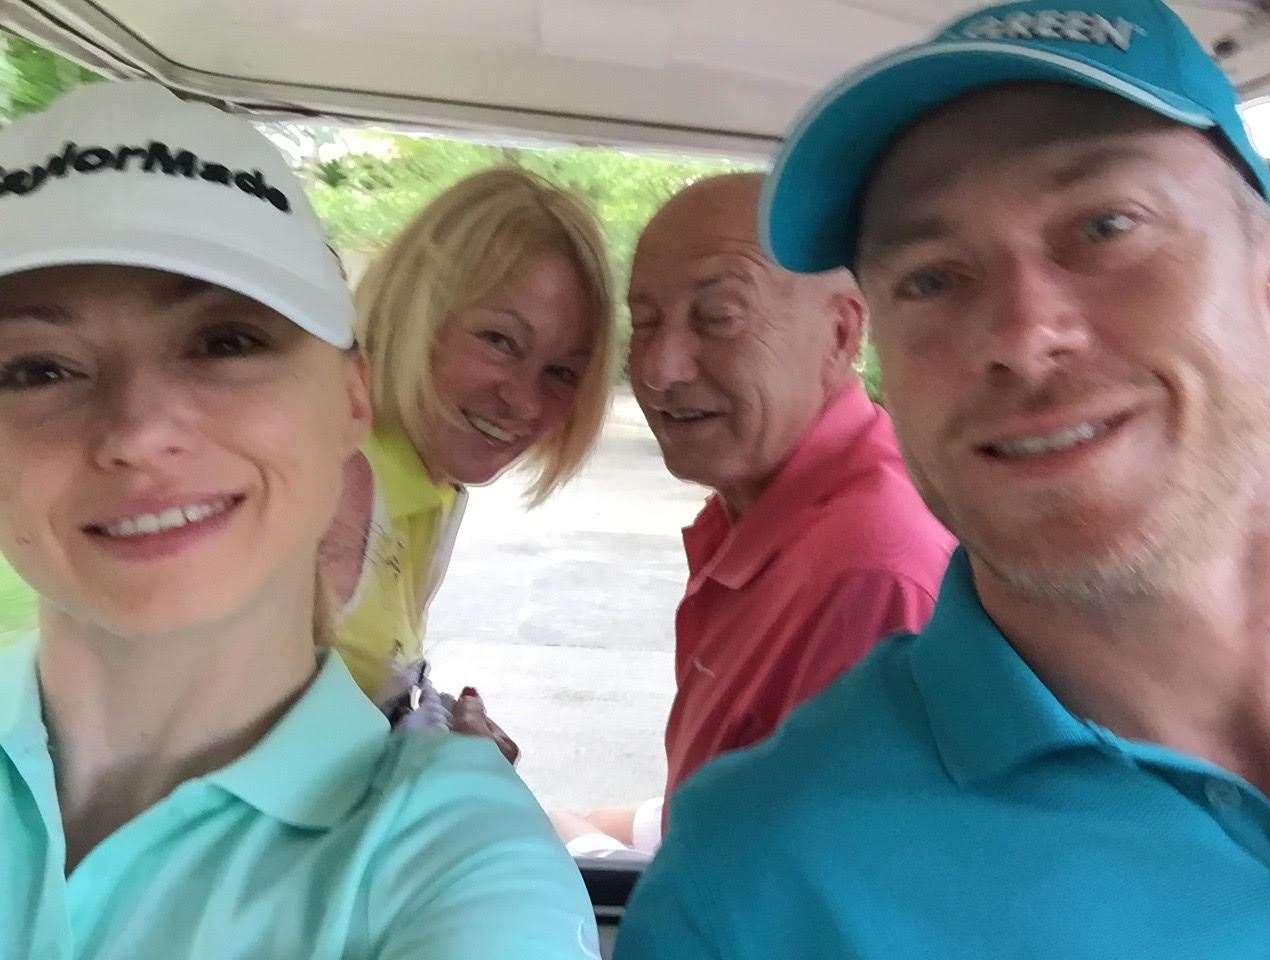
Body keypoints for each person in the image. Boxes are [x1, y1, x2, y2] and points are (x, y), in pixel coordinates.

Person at [614, 0, 1270, 956]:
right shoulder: (755, 895)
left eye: (1104, 225)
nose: (1020, 335)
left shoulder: (868, 566)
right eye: (930, 277)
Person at [0, 80, 600, 959]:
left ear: (351, 397)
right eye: (38, 369)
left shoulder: (454, 864)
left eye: (225, 342)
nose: (137, 433)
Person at [558, 173, 954, 855]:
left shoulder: (869, 571)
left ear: (840, 332)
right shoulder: (761, 514)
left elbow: (829, 909)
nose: (659, 369)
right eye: (644, 323)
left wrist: (585, 855)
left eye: (718, 319)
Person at [320, 168, 614, 743]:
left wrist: (431, 732)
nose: (525, 403)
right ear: (417, 308)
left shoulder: (434, 486)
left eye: (560, 372)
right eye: (500, 341)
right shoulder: (328, 476)